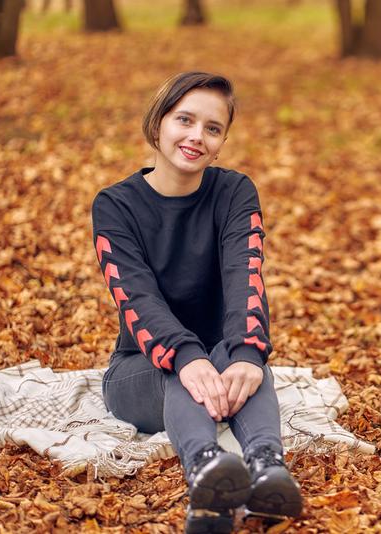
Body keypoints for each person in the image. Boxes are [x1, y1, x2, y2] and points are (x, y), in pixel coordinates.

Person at [92, 71, 302, 533]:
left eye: (212, 128)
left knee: (249, 364)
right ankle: (207, 470)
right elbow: (136, 298)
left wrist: (247, 353)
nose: (196, 137)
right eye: (184, 119)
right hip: (140, 368)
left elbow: (244, 277)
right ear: (158, 123)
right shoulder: (115, 205)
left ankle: (268, 470)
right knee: (182, 374)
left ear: (223, 140)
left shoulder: (233, 193)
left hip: (220, 357)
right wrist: (186, 357)